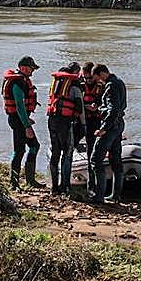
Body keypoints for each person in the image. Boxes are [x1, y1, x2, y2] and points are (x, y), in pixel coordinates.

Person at [1, 55, 44, 189]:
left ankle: (29, 181)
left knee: (34, 146)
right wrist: (27, 126)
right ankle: (14, 183)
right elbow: (19, 105)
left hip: (20, 119)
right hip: (18, 121)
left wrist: (27, 118)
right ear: (23, 68)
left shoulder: (22, 80)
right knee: (20, 150)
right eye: (31, 68)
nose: (33, 71)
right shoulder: (17, 83)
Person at [46, 61, 86, 195]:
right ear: (75, 72)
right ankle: (65, 185)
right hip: (65, 123)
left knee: (55, 153)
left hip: (52, 121)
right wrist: (83, 125)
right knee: (67, 153)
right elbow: (80, 109)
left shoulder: (56, 84)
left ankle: (54, 187)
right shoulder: (75, 87)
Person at [88, 63, 126, 204]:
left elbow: (113, 109)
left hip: (110, 127)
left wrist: (103, 128)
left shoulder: (110, 86)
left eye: (97, 77)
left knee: (95, 160)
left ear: (102, 73)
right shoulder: (119, 82)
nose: (98, 81)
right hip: (119, 125)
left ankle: (98, 197)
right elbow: (118, 108)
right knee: (116, 161)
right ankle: (116, 196)